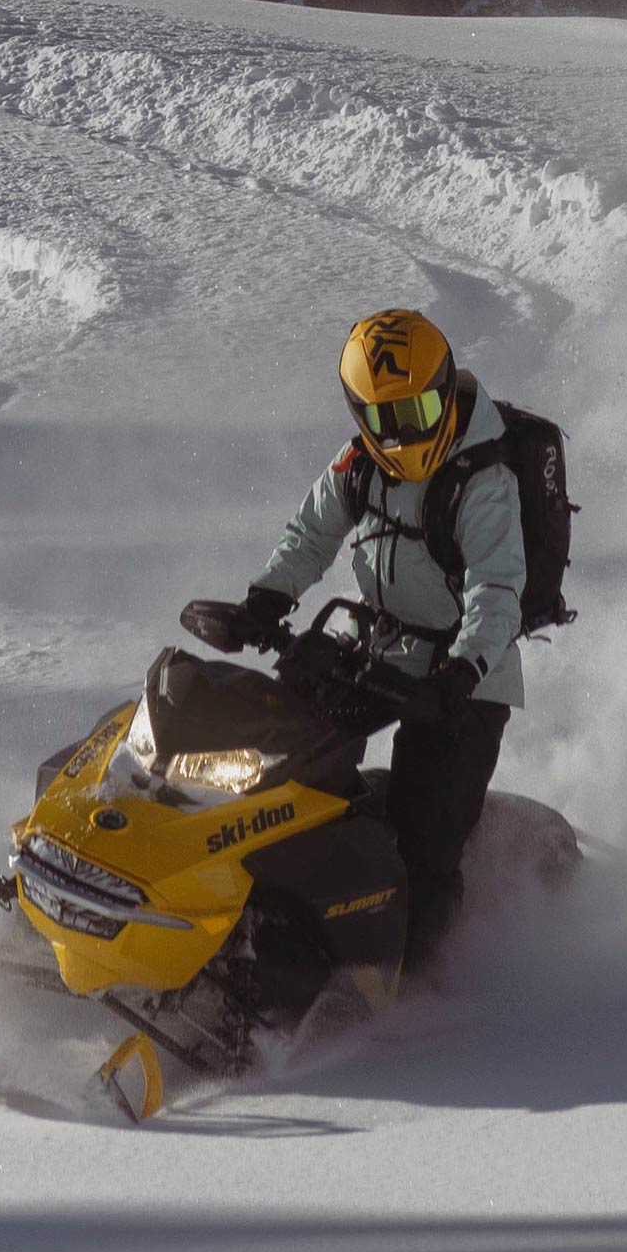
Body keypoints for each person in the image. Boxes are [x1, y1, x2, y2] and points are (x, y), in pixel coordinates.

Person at [182, 307, 526, 976]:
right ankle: (235, 908)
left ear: (445, 387)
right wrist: (265, 601)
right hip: (374, 649)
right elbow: (309, 535)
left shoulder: (485, 482)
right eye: (385, 419)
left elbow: (496, 593)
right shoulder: (359, 463)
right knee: (266, 757)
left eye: (420, 411)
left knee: (426, 838)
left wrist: (457, 677)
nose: (403, 434)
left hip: (465, 678)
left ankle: (416, 977)